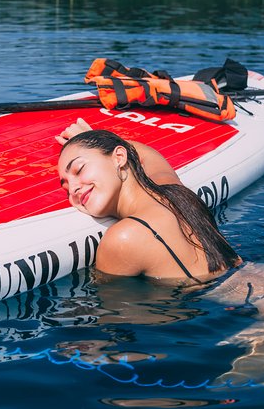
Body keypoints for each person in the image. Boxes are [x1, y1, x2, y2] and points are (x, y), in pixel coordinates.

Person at [56, 118, 241, 284]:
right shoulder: (175, 193)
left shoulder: (123, 239)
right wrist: (92, 142)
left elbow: (110, 319)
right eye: (66, 188)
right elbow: (144, 154)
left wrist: (90, 143)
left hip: (250, 314)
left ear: (119, 157)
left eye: (79, 169)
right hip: (257, 281)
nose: (73, 189)